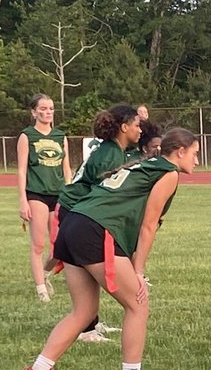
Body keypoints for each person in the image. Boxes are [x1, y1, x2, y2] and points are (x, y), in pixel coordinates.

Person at [21, 128, 199, 370]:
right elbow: (148, 226)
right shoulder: (168, 173)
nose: (197, 160)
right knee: (138, 304)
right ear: (180, 151)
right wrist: (138, 271)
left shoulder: (145, 164)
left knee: (83, 311)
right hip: (94, 230)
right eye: (195, 153)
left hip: (74, 224)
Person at [53, 104, 143, 341]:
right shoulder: (110, 155)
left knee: (90, 269)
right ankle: (87, 328)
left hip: (77, 209)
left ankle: (90, 325)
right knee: (89, 266)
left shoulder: (114, 150)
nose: (140, 130)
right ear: (124, 127)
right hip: (75, 209)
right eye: (136, 125)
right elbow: (103, 195)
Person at [17, 94, 72, 302]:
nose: (47, 112)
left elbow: (66, 169)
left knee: (60, 245)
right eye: (43, 108)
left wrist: (70, 192)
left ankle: (46, 273)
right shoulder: (27, 136)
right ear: (34, 112)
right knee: (38, 244)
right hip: (37, 193)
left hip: (58, 195)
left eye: (50, 108)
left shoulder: (60, 137)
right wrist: (23, 200)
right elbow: (22, 170)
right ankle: (41, 289)